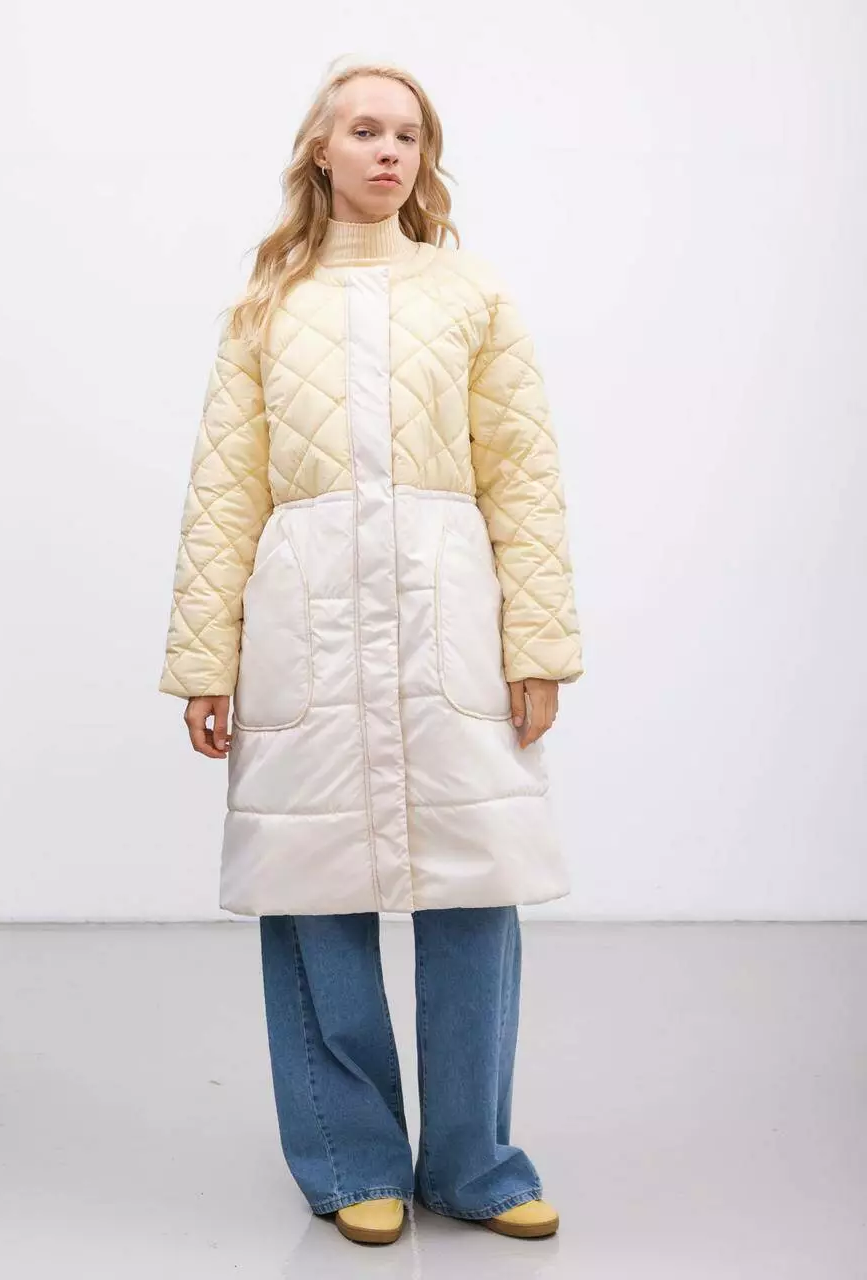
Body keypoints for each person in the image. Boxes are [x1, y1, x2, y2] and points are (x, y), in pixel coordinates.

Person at [158, 57, 585, 1246]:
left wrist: (537, 642)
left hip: (448, 617)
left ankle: (474, 1161)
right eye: (365, 129)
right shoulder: (266, 308)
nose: (389, 149)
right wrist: (206, 660)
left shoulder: (472, 296)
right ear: (322, 149)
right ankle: (352, 1156)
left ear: (423, 157)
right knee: (312, 889)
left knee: (475, 882)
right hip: (309, 622)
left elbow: (524, 477)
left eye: (408, 133)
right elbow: (223, 494)